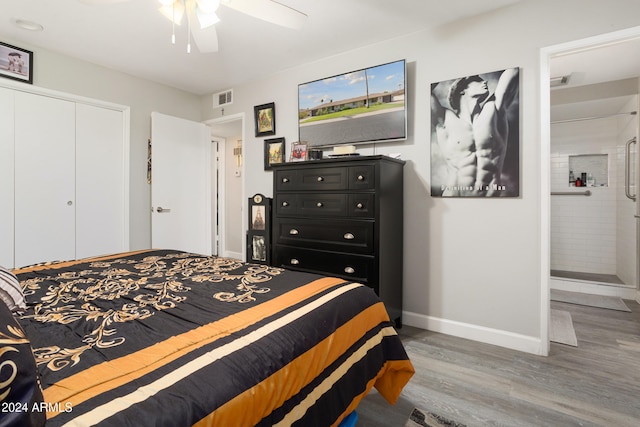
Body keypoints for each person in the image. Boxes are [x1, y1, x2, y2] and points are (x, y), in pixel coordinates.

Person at [431, 68, 519, 196]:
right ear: (462, 90)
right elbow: (421, 92)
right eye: (477, 80)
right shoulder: (445, 118)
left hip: (490, 196)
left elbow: (513, 72)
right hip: (454, 197)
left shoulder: (493, 109)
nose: (485, 82)